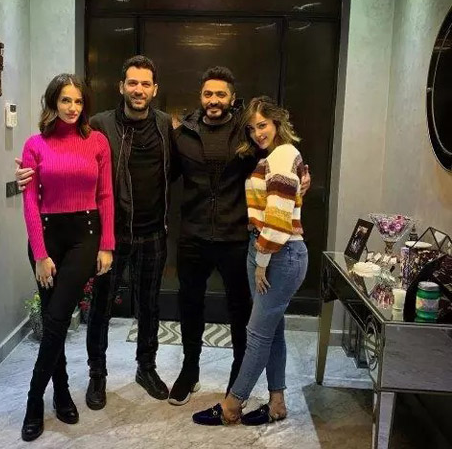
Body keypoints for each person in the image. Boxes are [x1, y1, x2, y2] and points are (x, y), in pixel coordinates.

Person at [16, 56, 174, 410]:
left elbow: (174, 169)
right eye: (132, 82)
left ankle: (146, 368)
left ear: (154, 89)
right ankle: (95, 375)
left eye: (145, 84)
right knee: (98, 308)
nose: (138, 89)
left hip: (147, 232)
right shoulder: (99, 126)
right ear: (121, 86)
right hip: (104, 233)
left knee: (149, 305)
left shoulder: (164, 125)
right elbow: (46, 188)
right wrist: (26, 178)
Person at [169, 71, 310, 406]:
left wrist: (304, 172)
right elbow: (165, 173)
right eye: (208, 93)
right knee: (189, 304)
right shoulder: (183, 133)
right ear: (200, 96)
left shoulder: (246, 132)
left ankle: (237, 375)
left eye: (221, 94)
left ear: (232, 98)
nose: (213, 100)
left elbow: (279, 156)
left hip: (235, 236)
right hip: (193, 234)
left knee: (240, 310)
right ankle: (189, 371)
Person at [19, 74, 114, 442]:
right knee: (51, 317)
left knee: (58, 316)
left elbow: (105, 195)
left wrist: (107, 245)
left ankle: (33, 400)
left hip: (84, 236)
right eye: (65, 100)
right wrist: (40, 254)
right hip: (46, 237)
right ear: (53, 103)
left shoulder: (98, 142)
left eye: (78, 101)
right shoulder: (35, 145)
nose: (73, 108)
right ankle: (60, 393)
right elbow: (30, 201)